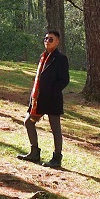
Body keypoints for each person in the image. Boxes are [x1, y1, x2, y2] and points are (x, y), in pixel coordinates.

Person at [17, 29, 69, 168]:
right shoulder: (43, 57)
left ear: (57, 42)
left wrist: (52, 92)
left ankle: (57, 158)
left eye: (51, 39)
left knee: (55, 129)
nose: (47, 41)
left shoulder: (60, 58)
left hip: (52, 100)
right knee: (28, 122)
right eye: (46, 39)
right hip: (38, 100)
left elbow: (64, 80)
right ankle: (35, 153)